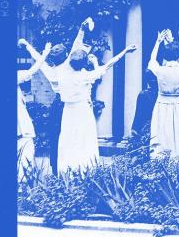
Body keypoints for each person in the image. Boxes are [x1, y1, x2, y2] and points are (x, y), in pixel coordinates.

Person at [28, 40, 135, 173]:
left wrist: (34, 48)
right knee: (85, 141)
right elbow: (109, 65)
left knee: (67, 141)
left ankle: (66, 170)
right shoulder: (86, 76)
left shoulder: (61, 73)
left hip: (68, 111)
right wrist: (125, 51)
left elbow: (42, 62)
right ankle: (86, 170)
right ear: (84, 64)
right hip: (83, 111)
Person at [147, 28, 179, 159]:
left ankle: (159, 159)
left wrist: (158, 42)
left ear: (165, 56)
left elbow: (152, 60)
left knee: (161, 132)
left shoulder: (160, 70)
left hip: (162, 105)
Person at [18, 40, 51, 182]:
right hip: (20, 126)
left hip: (19, 126)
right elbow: (35, 68)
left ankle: (22, 180)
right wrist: (46, 52)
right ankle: (23, 181)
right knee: (26, 149)